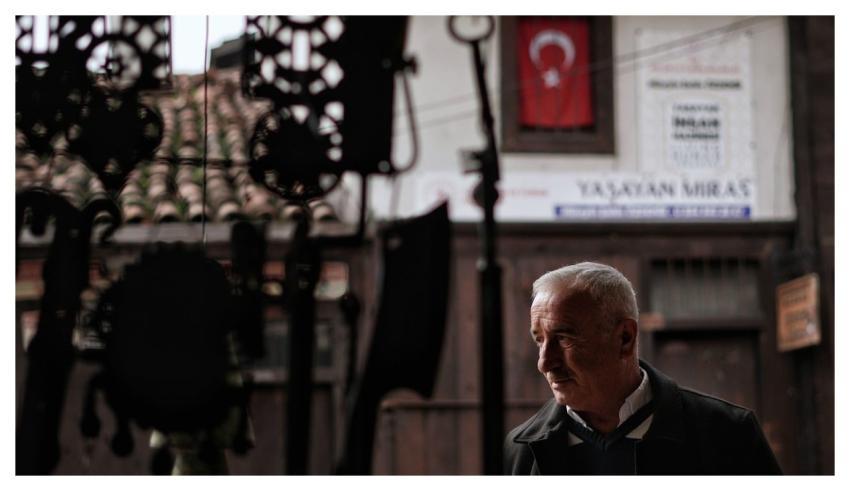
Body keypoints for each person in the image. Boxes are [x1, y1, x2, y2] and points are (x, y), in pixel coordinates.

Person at [504, 262, 781, 475]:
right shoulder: (520, 450)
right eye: (539, 340)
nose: (544, 362)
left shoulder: (728, 435)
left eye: (564, 338)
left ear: (624, 338)